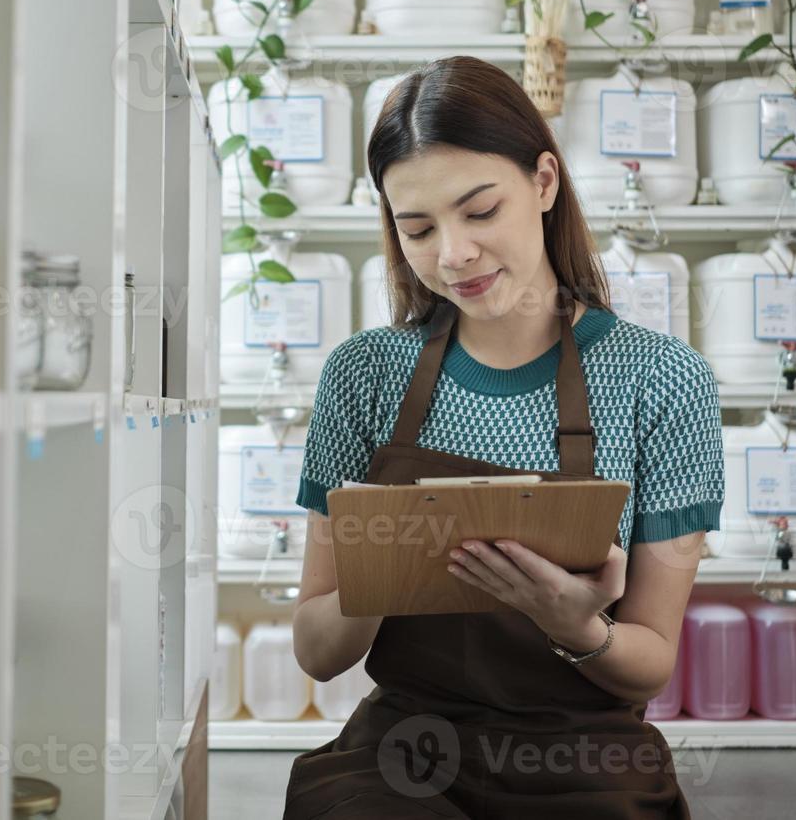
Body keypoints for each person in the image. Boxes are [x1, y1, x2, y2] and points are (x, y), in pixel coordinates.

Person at [282, 56, 723, 819]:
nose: (451, 254)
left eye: (479, 211)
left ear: (543, 183)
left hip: (586, 752)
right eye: (416, 228)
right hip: (404, 750)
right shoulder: (362, 375)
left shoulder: (662, 379)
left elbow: (648, 661)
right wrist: (383, 567)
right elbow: (319, 655)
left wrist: (574, 624)